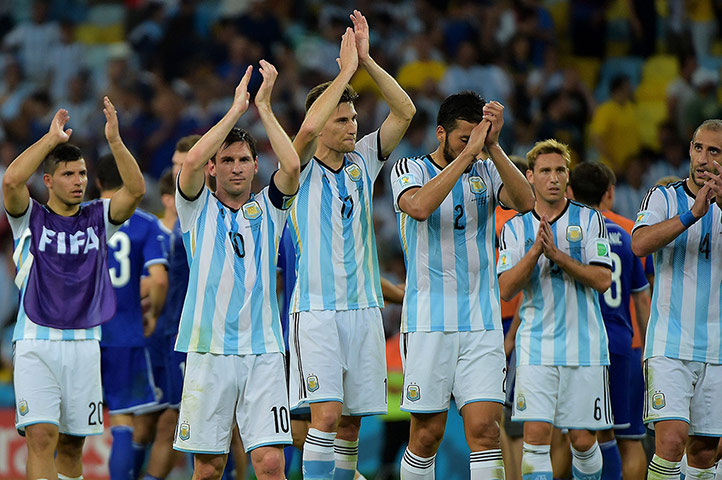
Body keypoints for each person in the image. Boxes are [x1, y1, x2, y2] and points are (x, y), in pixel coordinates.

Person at [286, 11, 415, 480]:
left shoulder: (363, 160)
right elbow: (301, 135)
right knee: (323, 417)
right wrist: (342, 74)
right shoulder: (294, 171)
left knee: (350, 424)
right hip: (317, 311)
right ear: (322, 124)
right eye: (342, 119)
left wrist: (367, 61)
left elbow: (405, 112)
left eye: (355, 117)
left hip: (363, 311)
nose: (353, 126)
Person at [388, 92, 534, 480]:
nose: (471, 146)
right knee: (427, 435)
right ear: (440, 134)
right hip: (428, 323)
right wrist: (469, 155)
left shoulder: (487, 170)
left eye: (477, 137)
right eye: (462, 139)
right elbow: (418, 207)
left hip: (481, 324)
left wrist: (495, 148)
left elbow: (525, 201)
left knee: (486, 430)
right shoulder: (410, 168)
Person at [2, 98, 145, 480]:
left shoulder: (100, 216)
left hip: (85, 344)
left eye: (82, 173)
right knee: (42, 436)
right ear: (48, 180)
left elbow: (135, 189)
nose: (79, 181)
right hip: (36, 343)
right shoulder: (29, 216)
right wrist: (49, 141)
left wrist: (114, 140)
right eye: (68, 174)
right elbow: (13, 180)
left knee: (72, 444)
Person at [173, 60, 299, 480]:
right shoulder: (196, 209)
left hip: (262, 351)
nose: (237, 167)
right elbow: (189, 164)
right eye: (227, 160)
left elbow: (294, 168)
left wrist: (264, 107)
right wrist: (234, 111)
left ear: (254, 165)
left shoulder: (269, 209)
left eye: (244, 159)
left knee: (269, 463)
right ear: (215, 167)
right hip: (208, 351)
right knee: (208, 469)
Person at [497, 139, 613, 480]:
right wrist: (536, 252)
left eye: (560, 170)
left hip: (586, 346)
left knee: (582, 439)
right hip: (536, 347)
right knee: (535, 438)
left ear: (568, 176)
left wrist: (559, 256)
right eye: (545, 171)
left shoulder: (590, 220)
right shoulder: (516, 228)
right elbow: (505, 290)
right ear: (530, 177)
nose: (553, 178)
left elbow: (603, 279)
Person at [631, 119, 722, 480]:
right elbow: (639, 243)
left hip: (716, 347)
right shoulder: (664, 197)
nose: (703, 158)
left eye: (714, 151)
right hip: (669, 342)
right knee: (670, 442)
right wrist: (691, 215)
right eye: (698, 148)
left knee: (703, 451)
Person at [568, 162, 651, 480]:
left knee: (586, 435)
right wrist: (646, 350)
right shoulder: (627, 234)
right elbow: (641, 298)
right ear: (610, 194)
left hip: (582, 344)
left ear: (570, 192)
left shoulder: (570, 234)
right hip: (623, 344)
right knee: (629, 439)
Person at [96, 153, 169, 480]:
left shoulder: (79, 219)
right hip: (126, 333)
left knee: (65, 424)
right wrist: (151, 315)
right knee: (124, 419)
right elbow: (158, 278)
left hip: (83, 334)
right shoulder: (146, 224)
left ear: (96, 182)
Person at [138, 135, 200, 480]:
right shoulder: (171, 230)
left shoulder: (217, 216)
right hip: (175, 336)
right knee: (170, 420)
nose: (180, 172)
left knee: (220, 425)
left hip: (205, 336)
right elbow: (152, 282)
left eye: (185, 164)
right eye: (177, 166)